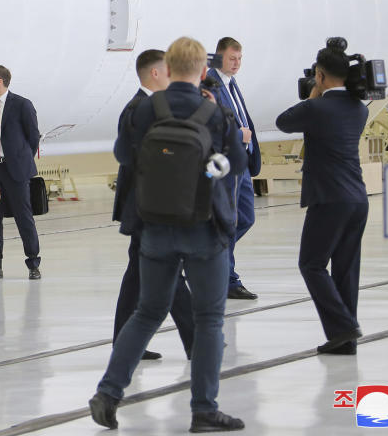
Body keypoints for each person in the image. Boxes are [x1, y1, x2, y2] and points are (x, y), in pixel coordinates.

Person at [89, 37, 247, 433]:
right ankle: (204, 410)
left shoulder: (143, 110)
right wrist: (205, 174)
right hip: (204, 229)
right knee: (209, 319)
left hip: (154, 226)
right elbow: (237, 163)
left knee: (146, 313)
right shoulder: (216, 111)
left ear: (170, 69)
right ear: (202, 70)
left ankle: (108, 393)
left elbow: (124, 156)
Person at [276, 43, 368, 356]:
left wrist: (314, 93)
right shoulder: (360, 108)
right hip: (357, 198)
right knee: (346, 268)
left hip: (329, 198)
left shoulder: (316, 108)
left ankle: (343, 327)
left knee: (312, 264)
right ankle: (345, 341)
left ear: (320, 74)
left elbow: (283, 121)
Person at [112, 50, 195, 361]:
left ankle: (124, 342)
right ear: (156, 74)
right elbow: (136, 160)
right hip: (150, 208)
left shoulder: (150, 107)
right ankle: (196, 341)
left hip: (150, 208)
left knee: (138, 276)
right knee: (170, 274)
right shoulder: (140, 109)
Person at [207, 38, 261, 300]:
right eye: (231, 58)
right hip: (227, 163)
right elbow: (211, 124)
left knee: (246, 218)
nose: (237, 63)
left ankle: (213, 259)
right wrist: (238, 135)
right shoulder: (211, 84)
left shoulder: (231, 83)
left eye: (239, 58)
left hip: (242, 164)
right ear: (218, 58)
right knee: (229, 222)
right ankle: (227, 278)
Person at [0, 65, 41, 280]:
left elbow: (33, 136)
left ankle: (33, 263)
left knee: (24, 218)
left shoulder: (22, 105)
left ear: (0, 81)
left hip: (15, 170)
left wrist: (21, 159)